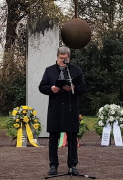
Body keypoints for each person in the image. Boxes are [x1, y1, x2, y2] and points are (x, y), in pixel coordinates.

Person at [39, 46, 87, 176]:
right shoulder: (49, 70)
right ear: (57, 57)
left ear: (69, 58)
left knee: (72, 137)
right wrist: (51, 89)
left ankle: (72, 165)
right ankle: (53, 165)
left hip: (70, 109)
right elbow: (42, 87)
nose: (63, 61)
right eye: (61, 58)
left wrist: (73, 88)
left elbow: (83, 89)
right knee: (53, 137)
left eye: (65, 59)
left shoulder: (76, 70)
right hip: (55, 109)